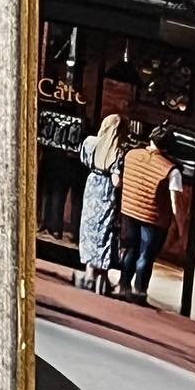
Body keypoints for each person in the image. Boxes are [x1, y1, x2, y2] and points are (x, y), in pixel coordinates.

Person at [117, 124, 188, 306]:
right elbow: (176, 203)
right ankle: (140, 292)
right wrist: (181, 228)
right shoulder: (171, 170)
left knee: (130, 250)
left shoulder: (131, 155)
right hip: (154, 218)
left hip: (129, 210)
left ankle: (123, 286)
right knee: (146, 256)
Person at [76, 113, 126, 295]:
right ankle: (102, 277)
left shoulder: (90, 142)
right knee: (105, 232)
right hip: (106, 193)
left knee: (89, 230)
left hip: (91, 188)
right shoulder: (118, 152)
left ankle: (89, 273)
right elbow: (115, 181)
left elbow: (82, 160)